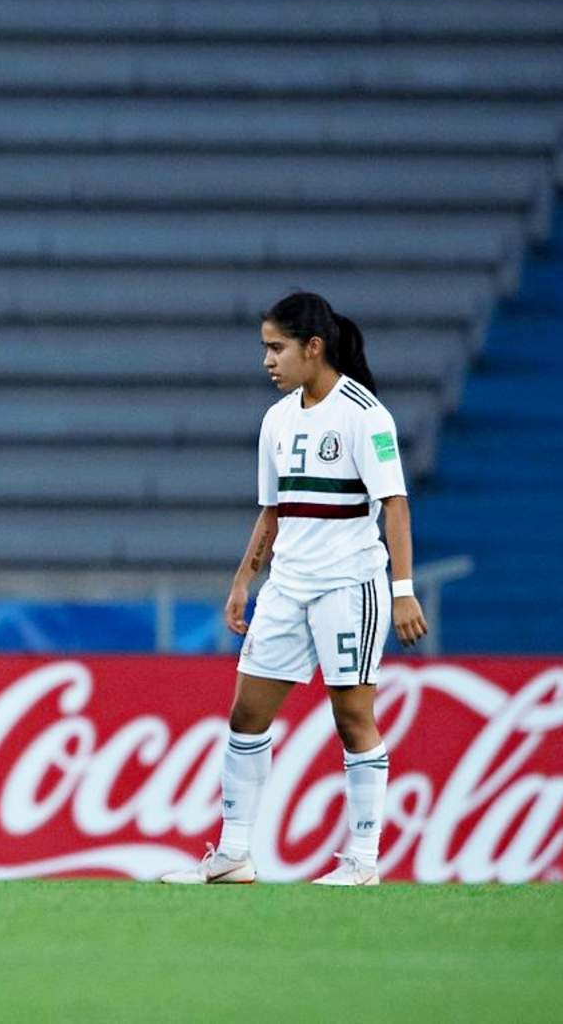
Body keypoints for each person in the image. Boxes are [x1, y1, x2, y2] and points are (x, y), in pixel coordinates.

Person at [161, 291, 427, 888]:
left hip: (348, 585)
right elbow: (272, 511)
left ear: (314, 348)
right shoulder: (277, 420)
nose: (267, 361)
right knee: (246, 715)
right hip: (286, 587)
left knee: (352, 716)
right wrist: (242, 581)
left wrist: (403, 589)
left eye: (276, 348)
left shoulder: (365, 415)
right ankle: (234, 854)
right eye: (264, 348)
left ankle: (362, 860)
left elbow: (396, 506)